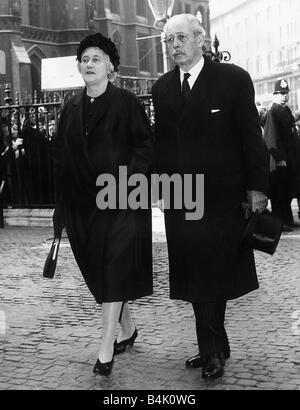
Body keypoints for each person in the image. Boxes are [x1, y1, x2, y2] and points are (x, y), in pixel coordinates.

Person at [152, 14, 269, 380]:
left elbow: (251, 137)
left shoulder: (233, 80)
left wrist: (258, 188)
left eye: (181, 38)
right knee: (192, 273)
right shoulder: (163, 88)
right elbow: (162, 143)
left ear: (201, 40)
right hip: (180, 197)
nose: (174, 46)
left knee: (212, 272)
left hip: (222, 197)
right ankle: (214, 343)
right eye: (168, 40)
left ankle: (212, 349)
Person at [52, 33, 154, 376]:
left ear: (111, 66)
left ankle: (106, 347)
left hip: (121, 203)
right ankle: (129, 329)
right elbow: (62, 159)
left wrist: (127, 184)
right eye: (84, 59)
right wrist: (61, 206)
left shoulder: (126, 103)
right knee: (100, 274)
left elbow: (145, 148)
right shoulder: (70, 107)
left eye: (96, 58)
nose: (89, 64)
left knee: (113, 270)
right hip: (82, 208)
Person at [263, 79, 300, 231]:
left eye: (286, 93)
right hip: (279, 160)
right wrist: (280, 159)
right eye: (280, 93)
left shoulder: (286, 111)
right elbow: (271, 138)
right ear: (274, 95)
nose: (284, 96)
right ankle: (280, 222)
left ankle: (288, 219)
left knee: (287, 191)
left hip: (290, 158)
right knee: (279, 193)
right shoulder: (272, 113)